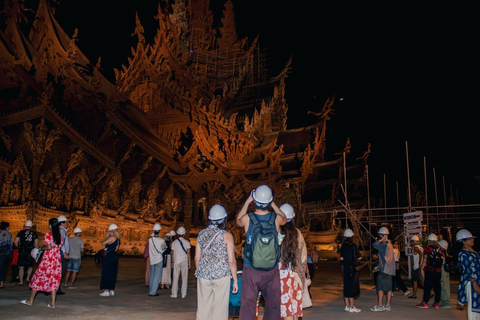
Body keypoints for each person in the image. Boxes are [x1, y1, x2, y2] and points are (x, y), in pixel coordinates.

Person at [235, 185, 287, 320]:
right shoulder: (276, 218)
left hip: (251, 268)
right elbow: (285, 218)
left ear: (255, 200)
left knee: (248, 304)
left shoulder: (248, 218)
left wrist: (247, 201)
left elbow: (238, 221)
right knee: (273, 305)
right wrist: (273, 203)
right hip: (271, 269)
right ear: (269, 201)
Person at [195, 204, 238, 319]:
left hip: (203, 274)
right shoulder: (227, 235)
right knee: (220, 308)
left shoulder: (201, 234)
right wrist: (235, 280)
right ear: (224, 219)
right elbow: (231, 261)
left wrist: (201, 271)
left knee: (203, 307)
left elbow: (197, 258)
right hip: (221, 275)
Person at [20, 218, 62, 308]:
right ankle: (53, 303)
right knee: (54, 280)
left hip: (48, 259)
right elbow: (58, 247)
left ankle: (30, 301)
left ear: (50, 226)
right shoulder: (60, 236)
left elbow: (49, 247)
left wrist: (41, 248)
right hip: (56, 260)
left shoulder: (48, 235)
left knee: (38, 278)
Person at [278, 203, 307, 319]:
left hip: (281, 275)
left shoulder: (277, 233)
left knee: (286, 310)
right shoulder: (297, 233)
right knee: (294, 308)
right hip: (295, 274)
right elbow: (303, 256)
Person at [456, 229, 480, 320]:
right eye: (469, 239)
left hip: (478, 280)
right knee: (472, 306)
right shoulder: (463, 253)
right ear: (463, 241)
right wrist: (474, 283)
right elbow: (467, 269)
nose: (472, 240)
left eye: (472, 238)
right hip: (471, 282)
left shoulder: (474, 252)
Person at [370, 226, 395, 312]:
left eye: (380, 235)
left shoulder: (384, 245)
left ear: (382, 235)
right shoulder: (389, 244)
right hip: (390, 269)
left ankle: (380, 305)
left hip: (384, 269)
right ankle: (387, 305)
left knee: (380, 288)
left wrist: (381, 239)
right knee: (388, 288)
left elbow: (374, 245)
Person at [416, 233, 444, 309]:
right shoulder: (439, 249)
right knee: (437, 287)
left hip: (429, 270)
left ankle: (425, 302)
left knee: (427, 287)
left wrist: (422, 269)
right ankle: (436, 303)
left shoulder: (427, 249)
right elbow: (443, 260)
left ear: (429, 241)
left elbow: (425, 260)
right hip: (438, 271)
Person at [339, 228, 361, 312]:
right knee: (352, 286)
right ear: (352, 237)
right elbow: (359, 256)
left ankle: (347, 306)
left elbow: (341, 258)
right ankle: (352, 306)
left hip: (345, 268)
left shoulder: (343, 247)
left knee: (346, 286)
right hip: (353, 269)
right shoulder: (353, 246)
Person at [14, 219, 38, 286]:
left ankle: (21, 281)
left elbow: (16, 242)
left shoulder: (21, 232)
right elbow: (36, 244)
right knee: (30, 266)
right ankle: (27, 278)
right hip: (30, 251)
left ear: (25, 225)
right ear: (31, 226)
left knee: (21, 266)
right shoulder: (34, 233)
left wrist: (18, 246)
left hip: (22, 250)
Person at [99, 223, 120, 297]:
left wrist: (106, 237)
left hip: (108, 257)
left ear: (112, 231)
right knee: (112, 273)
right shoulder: (118, 239)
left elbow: (102, 243)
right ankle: (111, 290)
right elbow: (116, 249)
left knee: (106, 273)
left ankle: (106, 290)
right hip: (114, 257)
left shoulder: (111, 238)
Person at [171, 226, 191, 298]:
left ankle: (174, 293)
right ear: (184, 234)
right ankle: (183, 294)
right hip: (184, 261)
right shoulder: (187, 242)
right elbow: (188, 253)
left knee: (175, 277)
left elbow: (172, 253)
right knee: (184, 277)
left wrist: (172, 262)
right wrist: (189, 262)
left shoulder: (174, 243)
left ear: (177, 233)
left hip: (176, 261)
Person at [148, 223, 166, 296]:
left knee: (151, 276)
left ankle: (151, 289)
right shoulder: (161, 240)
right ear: (159, 231)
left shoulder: (150, 240)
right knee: (157, 276)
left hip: (152, 259)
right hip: (159, 259)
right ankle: (153, 292)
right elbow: (164, 248)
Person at [408, 234, 424, 299]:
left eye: (411, 241)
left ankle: (430, 293)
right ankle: (414, 295)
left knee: (420, 281)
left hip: (417, 267)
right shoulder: (420, 247)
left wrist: (420, 263)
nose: (411, 243)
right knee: (414, 281)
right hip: (416, 266)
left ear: (414, 241)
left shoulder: (416, 247)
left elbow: (420, 253)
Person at [57, 215, 69, 295]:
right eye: (66, 222)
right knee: (60, 271)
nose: (67, 224)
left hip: (60, 253)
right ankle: (56, 288)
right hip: (61, 254)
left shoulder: (61, 230)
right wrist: (64, 252)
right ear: (62, 223)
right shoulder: (62, 231)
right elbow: (62, 242)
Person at [437, 239, 451, 308]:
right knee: (446, 286)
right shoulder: (446, 253)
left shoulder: (441, 253)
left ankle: (445, 302)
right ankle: (446, 301)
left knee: (443, 286)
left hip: (442, 269)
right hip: (446, 270)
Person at [0, 221, 12, 289]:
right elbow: (10, 245)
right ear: (7, 227)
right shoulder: (9, 235)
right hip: (6, 253)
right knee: (4, 268)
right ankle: (1, 283)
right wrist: (10, 254)